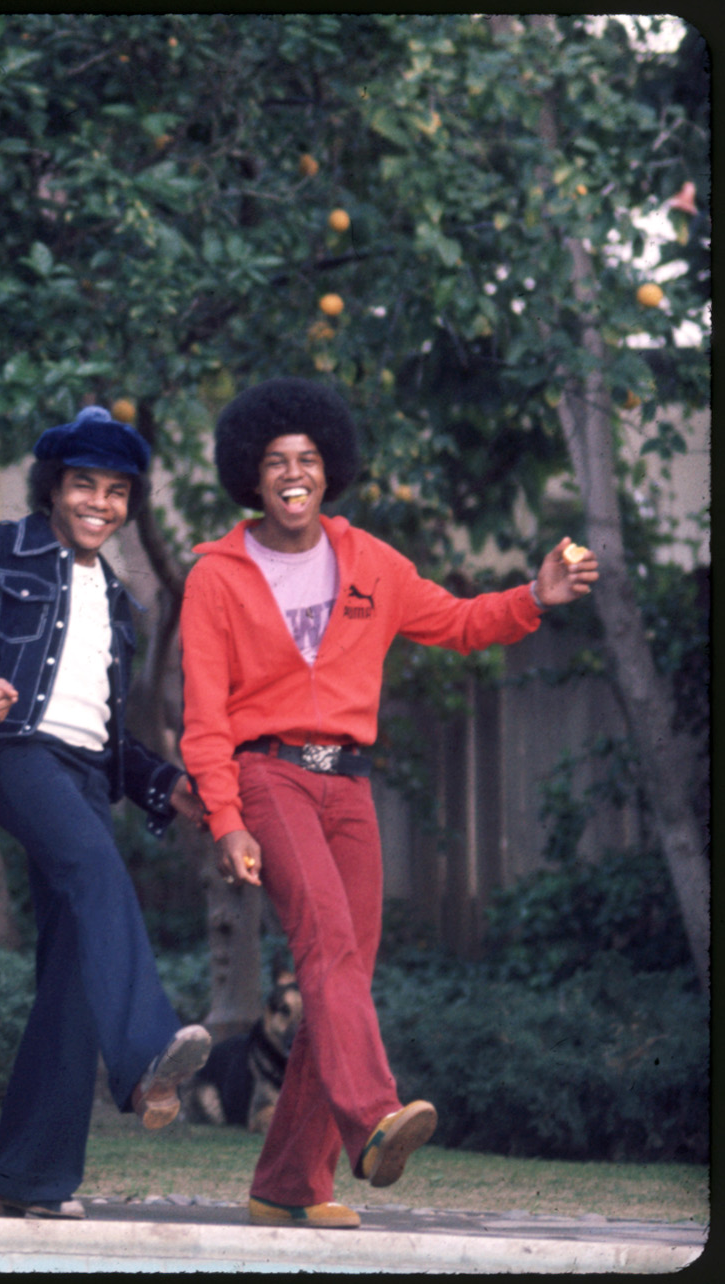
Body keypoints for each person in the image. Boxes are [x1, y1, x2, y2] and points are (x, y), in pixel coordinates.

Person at [179, 377, 599, 1230]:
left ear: (329, 470)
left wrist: (535, 597)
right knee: (327, 945)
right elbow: (204, 719)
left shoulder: (370, 560)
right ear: (249, 478)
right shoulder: (216, 577)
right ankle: (373, 1117)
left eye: (307, 460)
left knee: (345, 978)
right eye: (274, 463)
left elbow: (459, 620)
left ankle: (288, 1183)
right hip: (270, 775)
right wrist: (225, 820)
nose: (293, 474)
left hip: (350, 785)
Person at [0, 405, 212, 1221]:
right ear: (54, 487)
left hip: (85, 778)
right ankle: (148, 1051)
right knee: (96, 872)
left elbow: (111, 732)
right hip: (13, 753)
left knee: (73, 969)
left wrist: (162, 784)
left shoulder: (119, 599)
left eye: (117, 492)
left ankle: (28, 1178)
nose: (101, 503)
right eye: (85, 484)